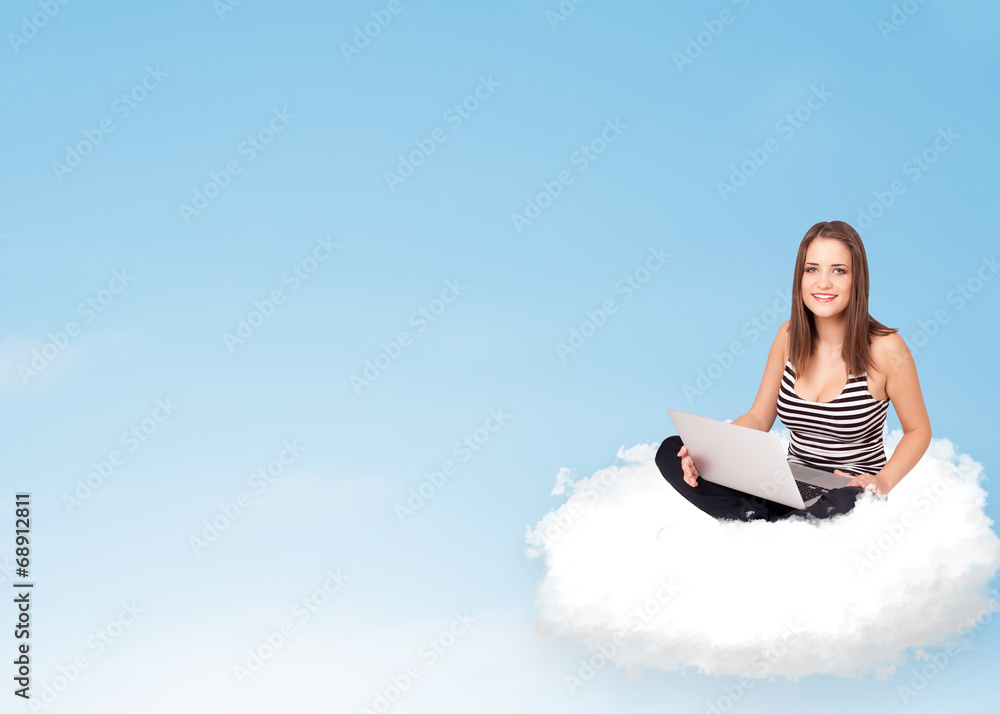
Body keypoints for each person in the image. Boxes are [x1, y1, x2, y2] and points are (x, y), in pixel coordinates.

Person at [655, 220, 932, 522]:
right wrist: (710, 450)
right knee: (674, 451)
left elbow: (918, 431)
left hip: (846, 490)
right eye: (812, 269)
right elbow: (759, 417)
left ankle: (762, 522)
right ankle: (766, 521)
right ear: (799, 277)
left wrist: (882, 481)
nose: (823, 283)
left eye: (838, 270)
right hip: (784, 484)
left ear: (857, 279)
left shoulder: (887, 349)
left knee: (850, 500)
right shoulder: (788, 336)